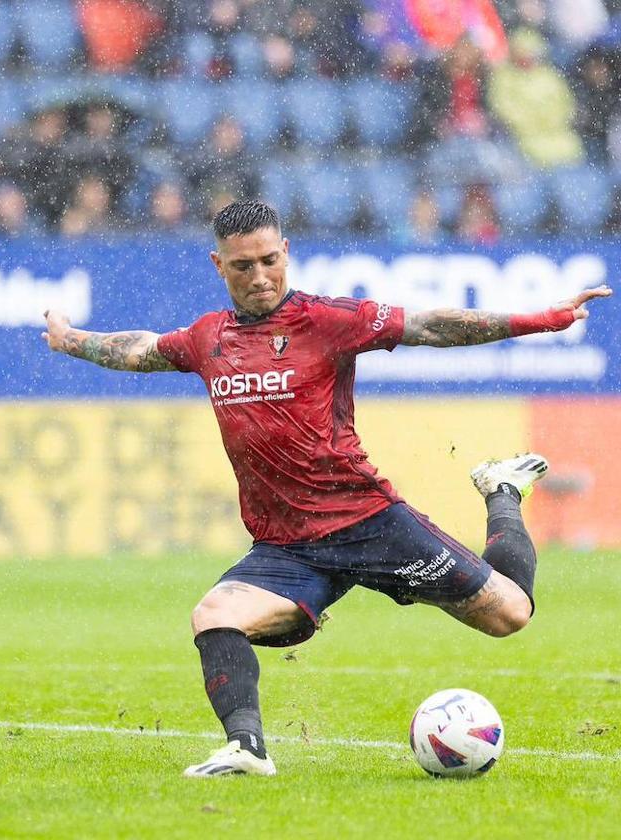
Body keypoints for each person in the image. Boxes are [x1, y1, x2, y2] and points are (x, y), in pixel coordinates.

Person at [42, 199, 612, 777]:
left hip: (368, 523)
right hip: (287, 547)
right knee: (214, 614)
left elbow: (432, 326)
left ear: (286, 252)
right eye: (243, 266)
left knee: (510, 614)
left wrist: (542, 320)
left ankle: (502, 490)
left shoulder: (327, 321)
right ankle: (247, 748)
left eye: (269, 260)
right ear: (219, 265)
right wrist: (71, 341)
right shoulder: (207, 339)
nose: (260, 276)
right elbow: (140, 349)